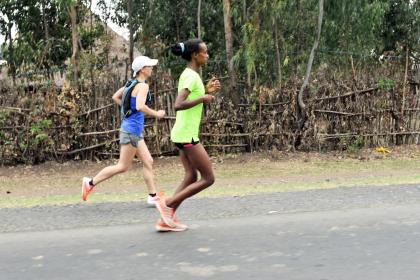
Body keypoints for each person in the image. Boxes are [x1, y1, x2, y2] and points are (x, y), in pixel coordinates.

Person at [154, 39, 221, 232]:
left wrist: (206, 92)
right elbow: (178, 104)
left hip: (181, 133)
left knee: (191, 175)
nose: (207, 55)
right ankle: (167, 204)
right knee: (208, 178)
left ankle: (165, 220)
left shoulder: (189, 75)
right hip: (187, 135)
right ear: (195, 55)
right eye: (205, 52)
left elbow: (190, 99)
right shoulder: (191, 77)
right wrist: (203, 97)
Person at [82, 56, 165, 206]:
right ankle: (90, 183)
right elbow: (140, 106)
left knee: (148, 161)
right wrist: (156, 114)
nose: (152, 68)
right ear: (142, 70)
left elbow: (116, 97)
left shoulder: (130, 84)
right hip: (131, 131)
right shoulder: (142, 86)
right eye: (149, 66)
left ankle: (153, 196)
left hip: (133, 130)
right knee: (122, 166)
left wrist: (127, 110)